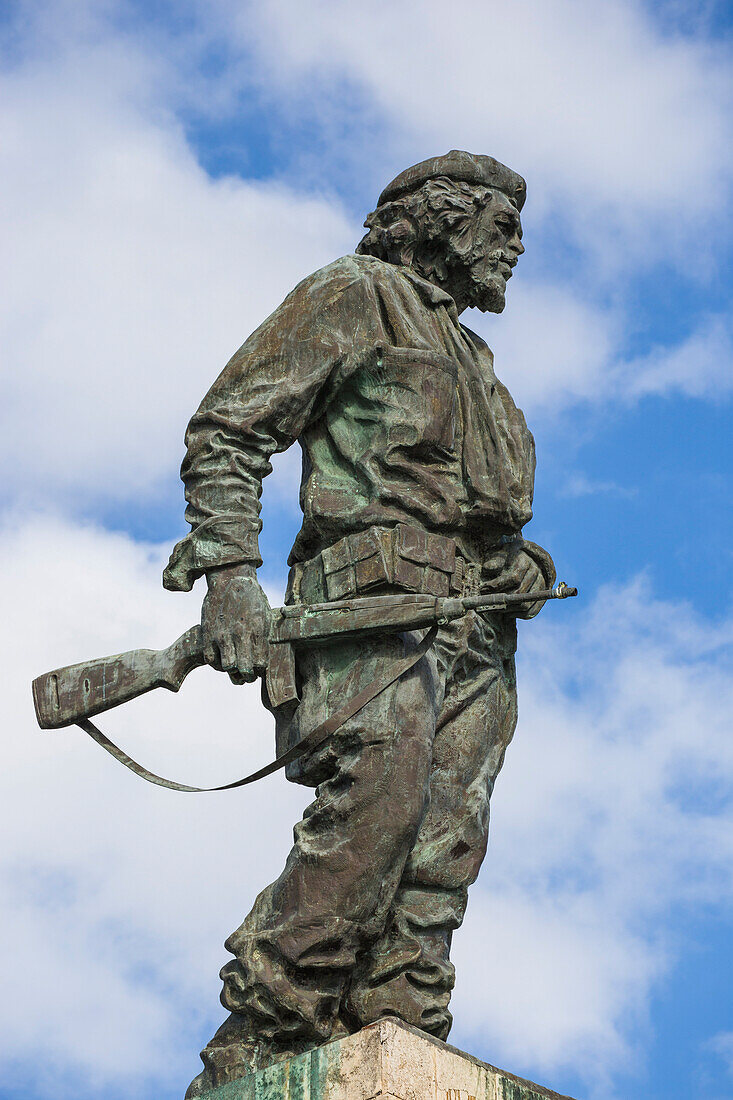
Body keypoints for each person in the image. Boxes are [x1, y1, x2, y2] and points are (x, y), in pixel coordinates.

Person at [163, 151, 556, 1096]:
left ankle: (404, 1021)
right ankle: (265, 1029)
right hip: (367, 613)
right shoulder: (351, 295)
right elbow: (230, 429)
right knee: (372, 816)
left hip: (473, 630)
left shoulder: (476, 361)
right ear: (435, 218)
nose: (512, 246)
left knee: (445, 844)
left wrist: (516, 563)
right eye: (497, 224)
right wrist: (227, 579)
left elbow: (478, 509)